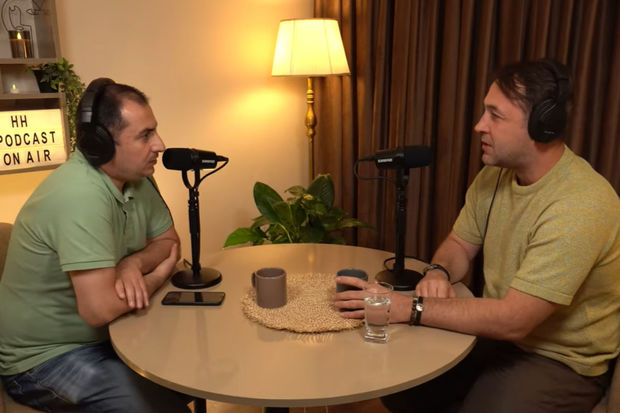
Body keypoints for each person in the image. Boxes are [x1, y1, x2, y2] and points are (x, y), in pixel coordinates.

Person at [334, 59, 620, 413]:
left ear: (542, 125)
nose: (479, 126)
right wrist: (438, 271)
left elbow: (516, 320)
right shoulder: (495, 175)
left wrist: (406, 308)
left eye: (495, 116)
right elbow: (459, 244)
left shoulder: (581, 204)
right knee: (402, 390)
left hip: (561, 360)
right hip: (497, 337)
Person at [0, 78, 192, 412]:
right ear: (101, 144)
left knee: (192, 369)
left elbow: (168, 242)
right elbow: (99, 309)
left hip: (112, 334)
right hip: (46, 357)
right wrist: (157, 275)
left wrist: (132, 264)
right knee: (157, 408)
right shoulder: (79, 195)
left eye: (155, 131)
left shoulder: (138, 177)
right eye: (145, 135)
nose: (160, 145)